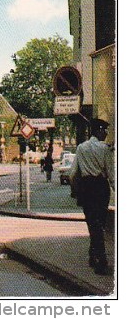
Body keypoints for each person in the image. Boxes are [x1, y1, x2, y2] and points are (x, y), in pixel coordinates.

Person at [69, 118, 115, 275]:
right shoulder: (105, 149)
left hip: (87, 188)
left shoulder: (81, 148)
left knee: (92, 223)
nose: (106, 134)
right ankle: (101, 259)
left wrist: (74, 189)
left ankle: (93, 254)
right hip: (101, 188)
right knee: (99, 223)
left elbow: (73, 172)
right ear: (98, 131)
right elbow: (111, 173)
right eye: (104, 131)